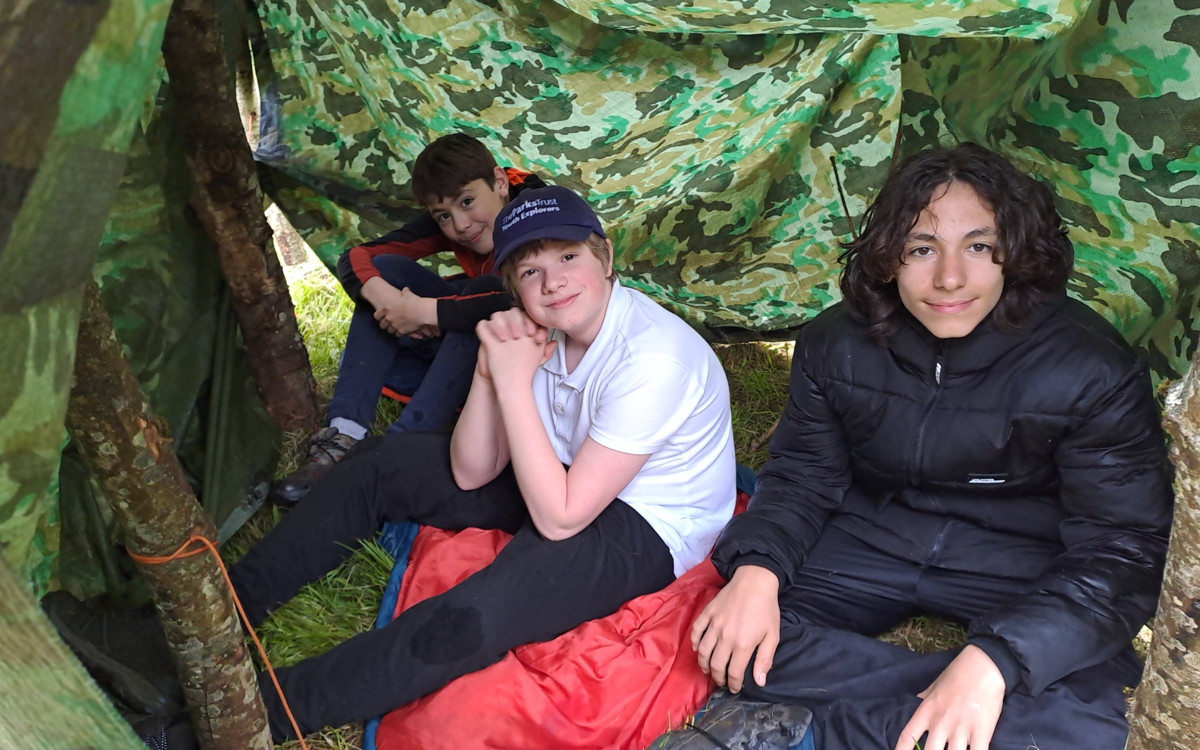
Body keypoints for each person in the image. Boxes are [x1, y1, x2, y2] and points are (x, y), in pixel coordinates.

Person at [690, 143, 1173, 750]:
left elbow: (1122, 544)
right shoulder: (834, 344)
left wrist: (994, 659)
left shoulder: (1090, 366)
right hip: (873, 537)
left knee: (1092, 725)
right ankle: (946, 708)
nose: (949, 277)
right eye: (922, 248)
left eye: (978, 246)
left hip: (1020, 559)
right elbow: (803, 475)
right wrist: (757, 572)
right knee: (721, 640)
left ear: (1016, 252)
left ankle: (828, 728)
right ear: (889, 256)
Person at [231, 185, 737, 740]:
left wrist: (515, 383)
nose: (553, 282)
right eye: (530, 271)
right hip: (566, 477)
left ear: (605, 256)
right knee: (385, 461)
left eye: (568, 257)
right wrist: (490, 372)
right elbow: (471, 471)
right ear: (512, 285)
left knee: (474, 614)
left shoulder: (654, 358)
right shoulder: (538, 330)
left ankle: (252, 713)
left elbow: (561, 519)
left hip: (648, 522)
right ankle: (227, 612)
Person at [270, 133, 548, 506]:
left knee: (481, 294)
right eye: (444, 216)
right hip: (460, 358)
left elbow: (520, 297)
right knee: (385, 269)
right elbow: (359, 258)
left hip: (531, 366)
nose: (461, 225)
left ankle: (400, 451)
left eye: (468, 202)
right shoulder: (456, 218)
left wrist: (423, 311)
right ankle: (344, 435)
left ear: (499, 182)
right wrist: (390, 300)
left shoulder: (537, 210)